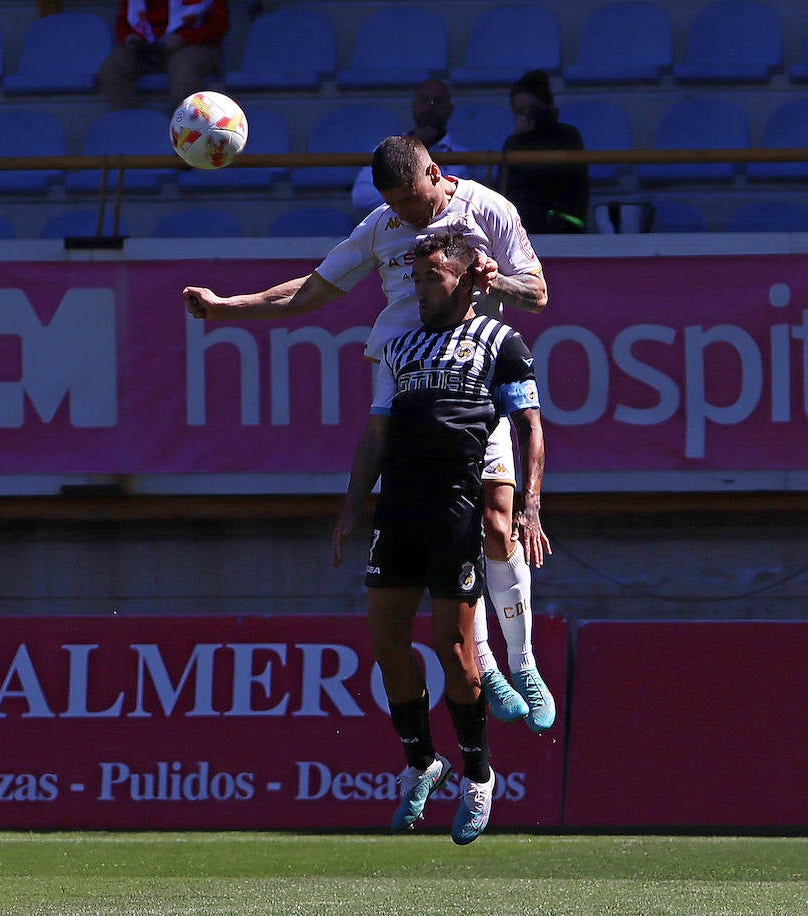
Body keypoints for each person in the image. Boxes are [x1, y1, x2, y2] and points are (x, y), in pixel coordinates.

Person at [183, 135, 557, 735]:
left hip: (471, 374)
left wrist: (495, 283)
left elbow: (536, 293)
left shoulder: (489, 210)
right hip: (406, 385)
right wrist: (229, 307)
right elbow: (312, 289)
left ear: (435, 171)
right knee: (445, 528)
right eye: (396, 205)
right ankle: (483, 661)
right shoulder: (381, 226)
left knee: (495, 517)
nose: (406, 217)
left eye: (413, 200)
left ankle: (524, 661)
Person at [337, 230, 548, 843]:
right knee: (387, 646)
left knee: (457, 655)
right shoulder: (399, 349)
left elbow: (531, 427)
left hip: (456, 512)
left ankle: (479, 777)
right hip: (397, 511)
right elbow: (377, 432)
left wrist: (530, 504)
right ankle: (423, 761)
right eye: (417, 278)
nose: (421, 288)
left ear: (465, 280)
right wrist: (352, 504)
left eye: (433, 277)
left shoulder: (502, 346)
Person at [351, 79, 470, 213]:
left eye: (438, 101)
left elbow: (462, 204)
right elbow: (361, 198)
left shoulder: (467, 157)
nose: (430, 107)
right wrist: (416, 195)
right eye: (424, 100)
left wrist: (401, 193)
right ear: (413, 106)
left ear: (449, 109)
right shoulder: (388, 150)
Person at [97, 0, 229, 112]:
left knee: (183, 70)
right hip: (146, 47)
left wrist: (184, 38)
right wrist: (128, 36)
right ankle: (132, 127)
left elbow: (219, 26)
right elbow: (123, 22)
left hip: (193, 44)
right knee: (111, 69)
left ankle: (183, 132)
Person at [500, 70, 589, 235]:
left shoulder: (568, 136)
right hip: (522, 227)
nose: (526, 116)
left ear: (547, 106)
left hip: (563, 224)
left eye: (532, 109)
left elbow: (560, 182)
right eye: (520, 111)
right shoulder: (513, 143)